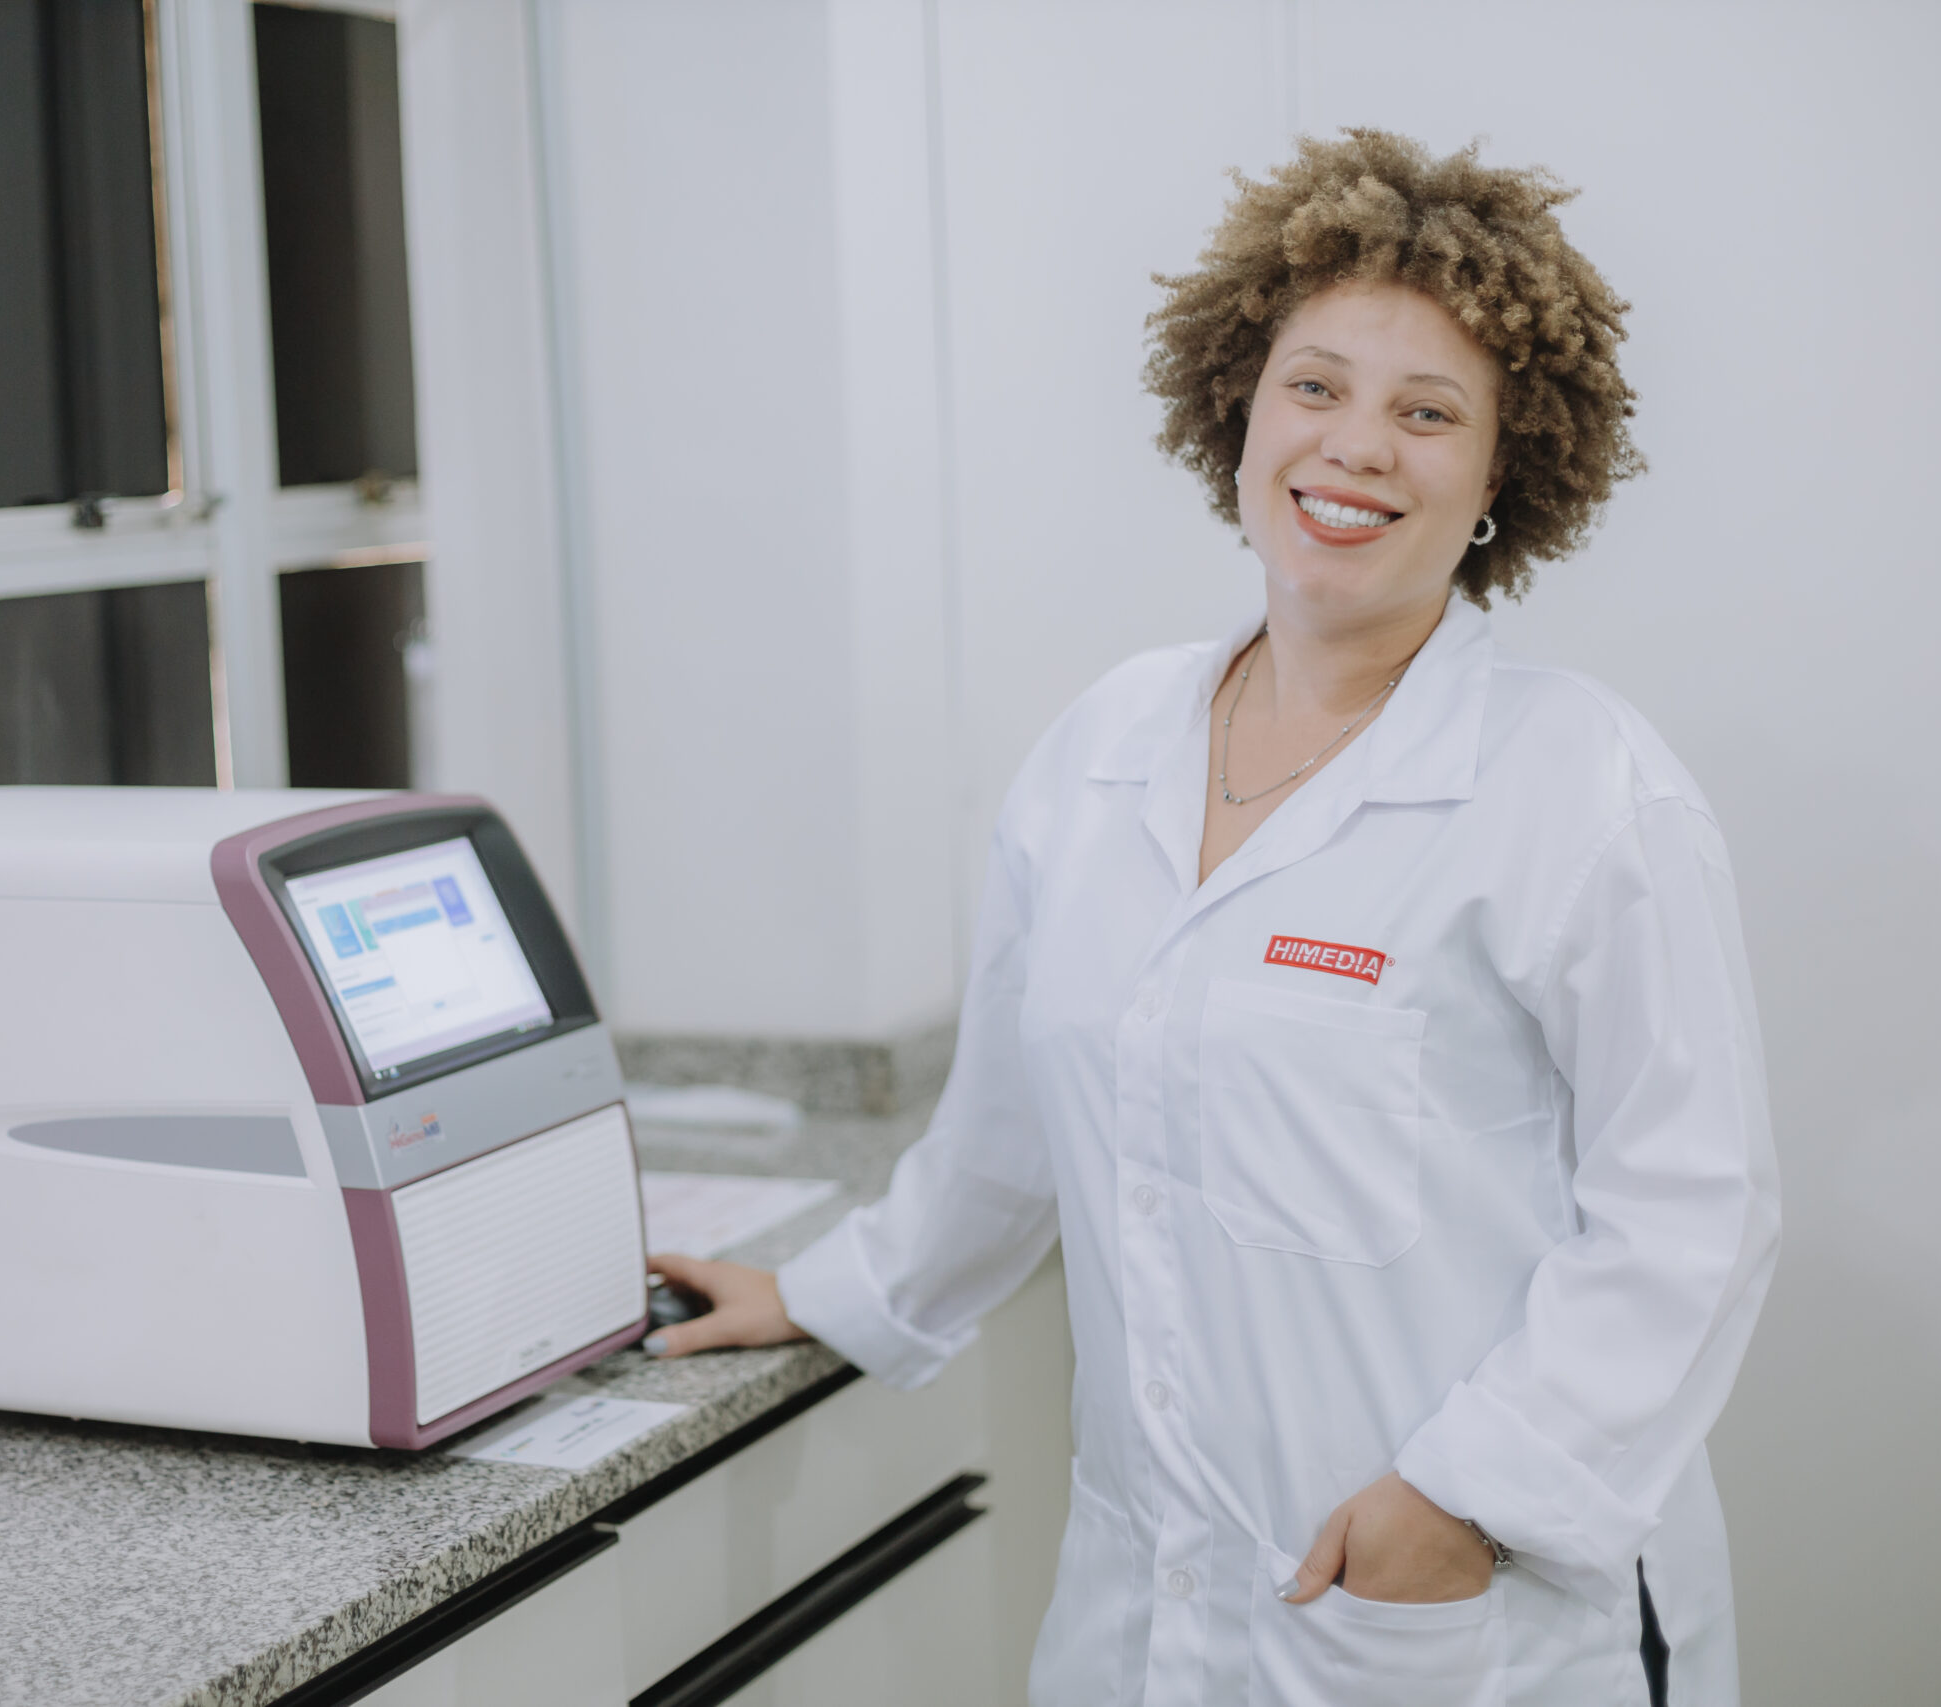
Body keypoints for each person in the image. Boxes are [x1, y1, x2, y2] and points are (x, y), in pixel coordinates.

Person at [645, 129, 1779, 1707]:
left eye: (1428, 412)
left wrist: (1466, 1503)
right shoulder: (1103, 749)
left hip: (1461, 1626)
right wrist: (832, 1294)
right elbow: (1013, 1123)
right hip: (1148, 1611)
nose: (1355, 447)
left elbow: (1692, 1214)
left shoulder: (1580, 788)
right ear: (1240, 407)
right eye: (1316, 386)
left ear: (1502, 475)